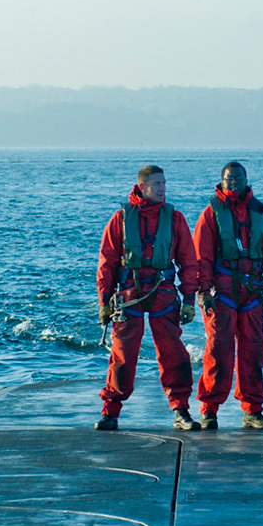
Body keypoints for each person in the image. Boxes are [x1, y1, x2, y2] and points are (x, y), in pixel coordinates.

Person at [193, 161, 263, 430]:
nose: (235, 182)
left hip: (252, 293)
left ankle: (253, 409)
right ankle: (209, 409)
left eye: (239, 178)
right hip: (222, 294)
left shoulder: (262, 215)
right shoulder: (209, 215)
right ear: (222, 181)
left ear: (246, 180)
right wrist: (202, 291)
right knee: (218, 351)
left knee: (254, 352)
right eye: (230, 179)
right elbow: (201, 257)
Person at [95, 165, 203, 431]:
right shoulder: (119, 219)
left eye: (164, 182)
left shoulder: (175, 219)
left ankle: (181, 410)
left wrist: (189, 299)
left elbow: (189, 262)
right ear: (142, 187)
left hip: (163, 293)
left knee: (174, 354)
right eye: (157, 184)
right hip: (128, 295)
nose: (163, 188)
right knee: (122, 355)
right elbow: (107, 263)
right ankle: (111, 412)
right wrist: (104, 302)